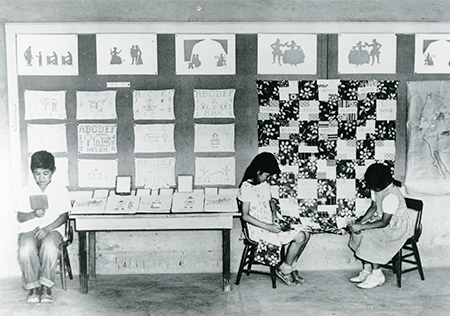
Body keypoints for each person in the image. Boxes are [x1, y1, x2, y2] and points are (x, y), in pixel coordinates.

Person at [237, 152, 311, 286]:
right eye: (267, 175)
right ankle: (284, 271)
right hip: (257, 227)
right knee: (299, 237)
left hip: (269, 222)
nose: (268, 178)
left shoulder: (263, 184)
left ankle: (289, 266)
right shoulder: (246, 187)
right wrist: (268, 226)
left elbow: (271, 202)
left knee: (306, 233)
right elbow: (245, 216)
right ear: (258, 171)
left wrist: (274, 215)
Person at [15, 150, 71, 303]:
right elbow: (20, 216)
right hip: (30, 230)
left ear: (53, 171)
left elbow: (64, 216)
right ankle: (33, 288)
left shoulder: (61, 190)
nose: (41, 178)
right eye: (37, 174)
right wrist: (33, 214)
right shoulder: (26, 190)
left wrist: (47, 229)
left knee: (49, 247)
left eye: (45, 173)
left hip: (52, 229)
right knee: (26, 248)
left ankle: (46, 287)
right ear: (32, 172)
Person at [347, 163, 414, 289]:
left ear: (383, 183)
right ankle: (367, 270)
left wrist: (362, 227)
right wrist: (361, 223)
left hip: (397, 227)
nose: (372, 188)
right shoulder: (377, 189)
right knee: (358, 233)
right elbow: (373, 207)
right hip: (384, 219)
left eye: (374, 186)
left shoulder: (392, 196)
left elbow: (384, 223)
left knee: (369, 237)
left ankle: (377, 275)